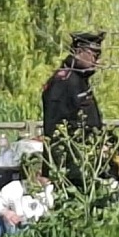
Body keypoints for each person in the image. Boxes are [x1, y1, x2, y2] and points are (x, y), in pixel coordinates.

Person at [41, 31, 106, 187]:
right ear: (78, 51)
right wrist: (51, 168)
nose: (96, 59)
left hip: (85, 159)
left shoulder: (79, 80)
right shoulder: (64, 81)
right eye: (93, 54)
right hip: (69, 163)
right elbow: (53, 126)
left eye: (98, 55)